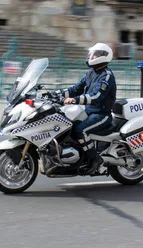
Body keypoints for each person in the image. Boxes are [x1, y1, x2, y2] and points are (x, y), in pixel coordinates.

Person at [51, 42, 117, 175]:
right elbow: (76, 89)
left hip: (101, 115)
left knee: (80, 130)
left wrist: (75, 100)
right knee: (66, 124)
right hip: (88, 111)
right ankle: (68, 160)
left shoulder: (106, 76)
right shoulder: (91, 73)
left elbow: (96, 96)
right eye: (93, 54)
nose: (92, 57)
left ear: (103, 56)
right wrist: (54, 94)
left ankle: (94, 159)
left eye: (96, 55)